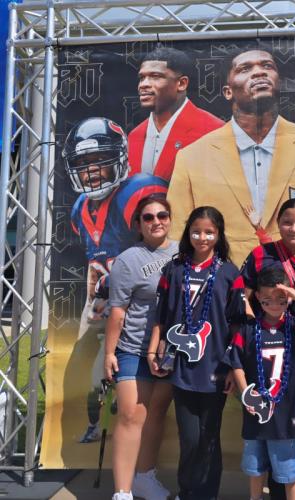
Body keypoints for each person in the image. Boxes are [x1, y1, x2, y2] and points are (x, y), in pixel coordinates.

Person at [167, 48, 295, 266]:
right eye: (245, 69)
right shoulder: (192, 157)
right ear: (228, 91)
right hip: (223, 278)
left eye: (267, 66)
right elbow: (177, 234)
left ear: (278, 82)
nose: (259, 72)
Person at [62, 116, 168, 443]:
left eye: (99, 160)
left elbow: (163, 250)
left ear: (119, 157)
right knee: (83, 368)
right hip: (104, 301)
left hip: (140, 302)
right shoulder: (80, 210)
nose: (91, 170)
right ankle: (95, 424)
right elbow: (95, 264)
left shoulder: (137, 193)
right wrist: (95, 298)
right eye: (83, 163)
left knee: (142, 369)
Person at [148, 206, 245, 500]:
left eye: (209, 232)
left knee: (209, 436)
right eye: (196, 231)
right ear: (188, 232)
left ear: (219, 235)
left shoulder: (229, 273)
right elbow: (161, 316)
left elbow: (238, 323)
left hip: (216, 368)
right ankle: (187, 491)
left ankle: (207, 494)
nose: (202, 238)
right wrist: (153, 351)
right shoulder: (175, 269)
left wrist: (233, 367)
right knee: (189, 437)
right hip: (181, 367)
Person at [224, 266, 295, 500]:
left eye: (281, 300)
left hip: (289, 410)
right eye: (267, 300)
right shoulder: (249, 329)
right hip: (257, 410)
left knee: (289, 469)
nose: (274, 305)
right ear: (258, 297)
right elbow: (236, 362)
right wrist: (247, 394)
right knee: (254, 465)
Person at [105, 196, 178, 500]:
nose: (156, 221)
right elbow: (117, 312)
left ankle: (144, 479)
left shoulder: (183, 253)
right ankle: (122, 491)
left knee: (156, 413)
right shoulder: (127, 260)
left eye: (162, 215)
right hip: (134, 348)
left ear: (170, 219)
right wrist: (110, 353)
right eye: (148, 217)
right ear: (138, 224)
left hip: (170, 350)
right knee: (131, 415)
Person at [128, 46, 224, 180]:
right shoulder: (134, 136)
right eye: (142, 78)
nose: (143, 84)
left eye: (155, 76)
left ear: (182, 84)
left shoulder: (213, 130)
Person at [241, 198, 295, 315]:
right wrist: (251, 321)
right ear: (278, 223)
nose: (293, 229)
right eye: (287, 223)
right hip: (266, 326)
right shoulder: (261, 254)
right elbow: (243, 295)